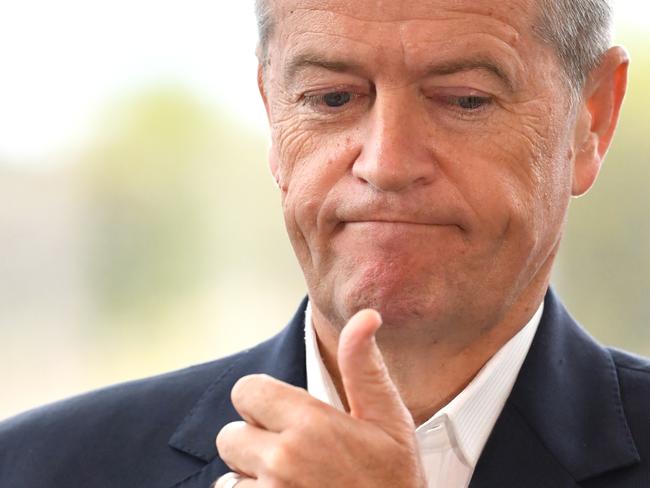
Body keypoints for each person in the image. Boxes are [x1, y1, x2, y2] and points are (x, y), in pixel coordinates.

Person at [0, 0, 647, 486]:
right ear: (273, 114)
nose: (386, 163)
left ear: (590, 120)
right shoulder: (34, 468)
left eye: (464, 100)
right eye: (332, 97)